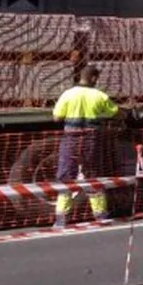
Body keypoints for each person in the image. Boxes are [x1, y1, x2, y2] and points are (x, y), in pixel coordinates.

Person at [51, 64, 121, 229]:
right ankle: (101, 217)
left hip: (70, 140)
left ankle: (60, 220)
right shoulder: (99, 96)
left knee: (66, 178)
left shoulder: (68, 94)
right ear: (94, 78)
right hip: (91, 141)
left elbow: (57, 117)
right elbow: (116, 113)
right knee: (94, 177)